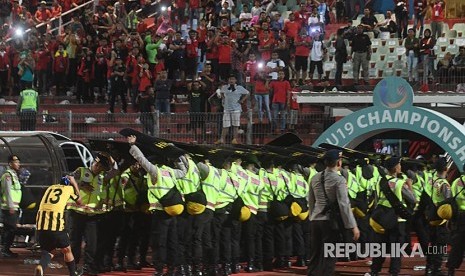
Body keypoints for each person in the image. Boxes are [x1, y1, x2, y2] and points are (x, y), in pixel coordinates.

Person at [307, 150, 360, 275]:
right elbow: (344, 204)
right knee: (329, 255)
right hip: (330, 222)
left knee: (315, 254)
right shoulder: (339, 180)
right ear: (338, 162)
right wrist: (353, 226)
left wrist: (311, 216)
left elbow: (311, 200)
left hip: (315, 219)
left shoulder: (315, 178)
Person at [368, 157, 415, 276]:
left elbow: (377, 198)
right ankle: (394, 272)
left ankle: (374, 271)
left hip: (381, 218)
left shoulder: (381, 181)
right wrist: (410, 186)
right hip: (396, 219)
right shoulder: (400, 183)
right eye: (399, 164)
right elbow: (412, 199)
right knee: (396, 249)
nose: (400, 166)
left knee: (380, 247)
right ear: (395, 168)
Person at [33, 176, 82, 276]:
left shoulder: (50, 188)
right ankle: (73, 273)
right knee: (67, 250)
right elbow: (80, 201)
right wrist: (75, 184)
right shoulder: (69, 189)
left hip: (41, 225)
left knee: (49, 250)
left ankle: (41, 266)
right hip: (55, 225)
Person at [215, 74, 249, 145]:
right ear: (228, 80)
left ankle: (234, 139)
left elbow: (247, 93)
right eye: (230, 79)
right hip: (226, 109)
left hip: (236, 109)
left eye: (233, 79)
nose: (231, 80)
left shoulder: (239, 88)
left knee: (235, 125)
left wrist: (242, 100)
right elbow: (221, 92)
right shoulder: (224, 87)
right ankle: (222, 139)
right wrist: (223, 98)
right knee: (225, 125)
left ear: (235, 80)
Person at [0, 155, 22, 258]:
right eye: (16, 162)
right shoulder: (7, 175)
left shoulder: (14, 175)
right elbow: (7, 191)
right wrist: (10, 206)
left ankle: (5, 249)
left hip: (13, 207)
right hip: (9, 208)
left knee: (9, 228)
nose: (18, 164)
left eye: (18, 162)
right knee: (10, 228)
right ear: (10, 163)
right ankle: (5, 249)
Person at [446, 164, 465, 276]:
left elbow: (451, 197)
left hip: (458, 216)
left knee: (457, 246)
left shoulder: (456, 181)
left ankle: (451, 270)